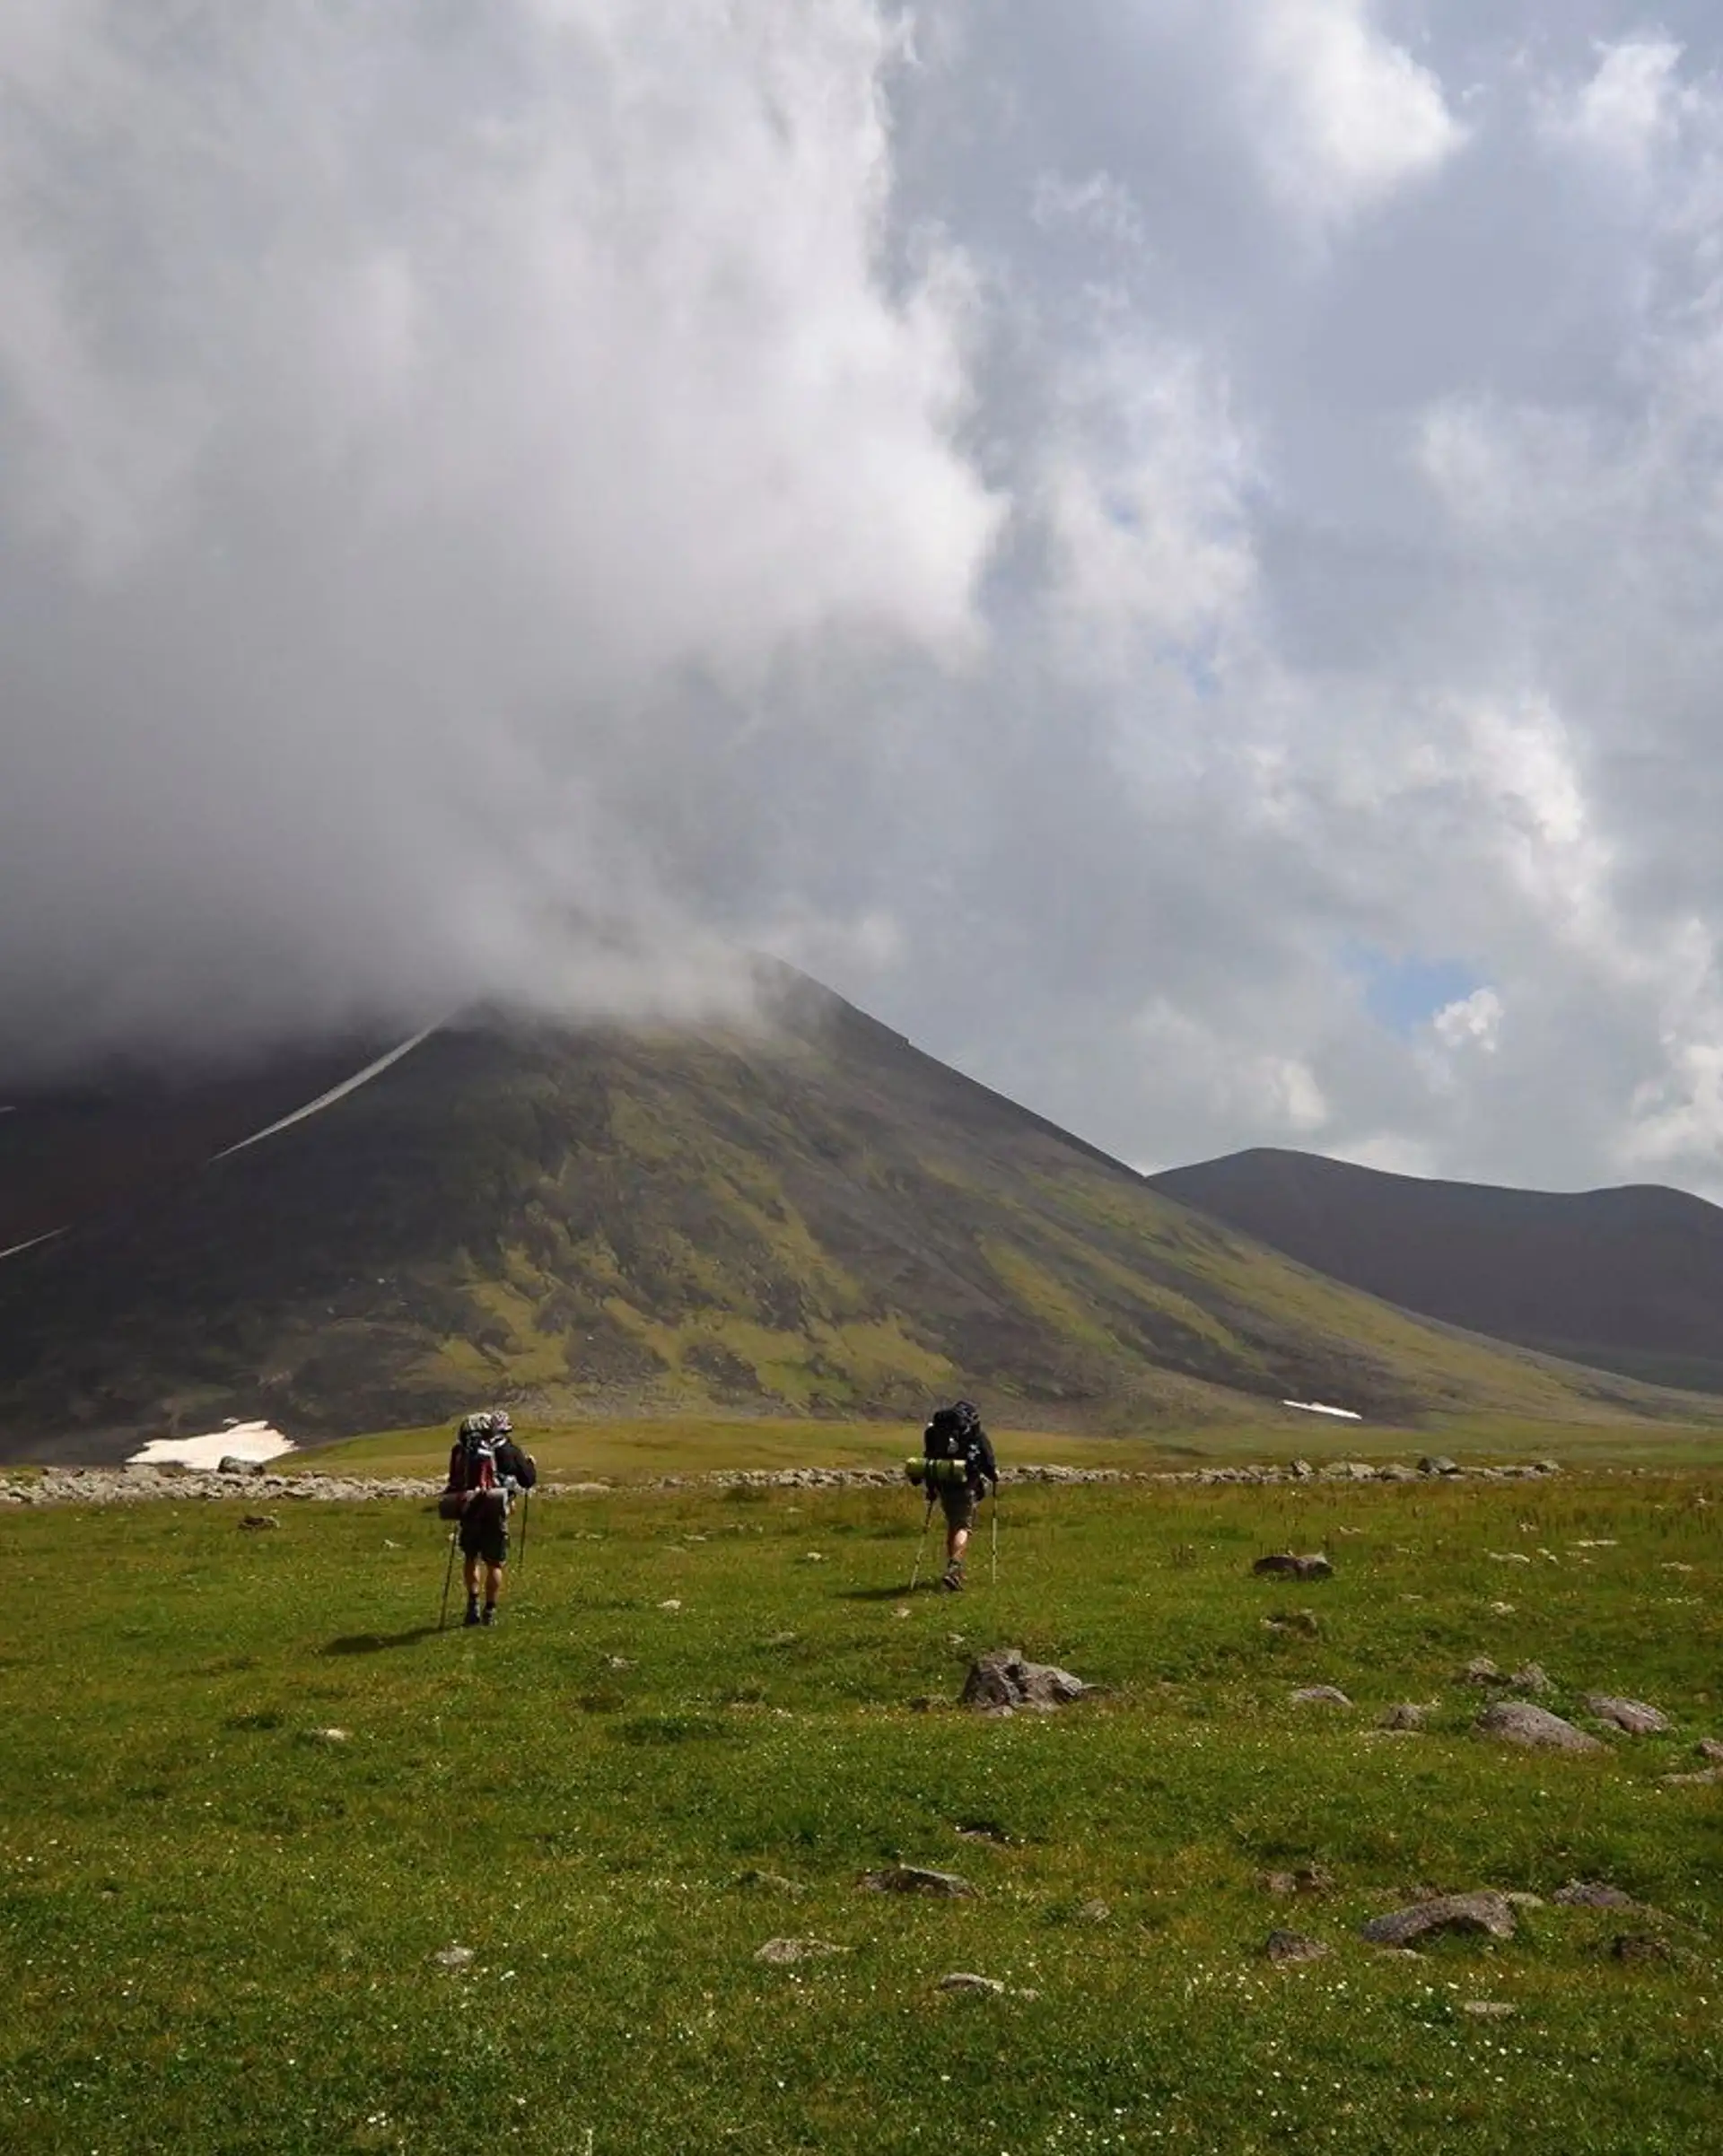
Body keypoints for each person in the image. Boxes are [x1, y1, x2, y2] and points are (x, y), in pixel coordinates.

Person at [443, 1410, 538, 1627]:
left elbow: (454, 1478)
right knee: (495, 1563)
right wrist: (530, 1464)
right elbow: (528, 1480)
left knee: (471, 1557)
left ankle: (472, 1603)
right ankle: (490, 1611)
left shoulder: (461, 1450)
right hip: (496, 1509)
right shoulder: (508, 1449)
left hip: (469, 1507)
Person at [922, 1400, 998, 1592]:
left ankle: (955, 1571)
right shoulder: (974, 1433)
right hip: (966, 1485)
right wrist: (993, 1477)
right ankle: (954, 1567)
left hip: (943, 1483)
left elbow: (929, 1457)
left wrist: (931, 1488)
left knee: (953, 1525)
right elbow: (988, 1462)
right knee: (963, 1527)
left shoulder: (937, 1432)